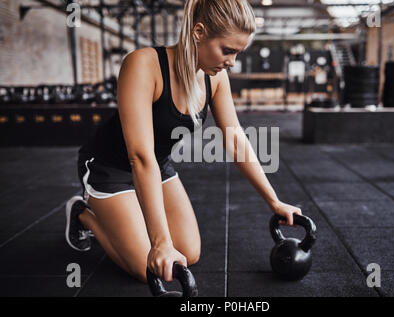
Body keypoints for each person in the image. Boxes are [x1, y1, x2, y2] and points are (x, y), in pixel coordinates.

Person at [65, 0, 302, 284]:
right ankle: (82, 214)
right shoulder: (143, 64)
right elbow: (140, 157)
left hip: (159, 165)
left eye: (237, 53)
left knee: (188, 254)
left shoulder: (216, 78)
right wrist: (160, 242)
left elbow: (235, 138)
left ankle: (126, 218)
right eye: (227, 51)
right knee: (150, 268)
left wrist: (274, 201)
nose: (232, 62)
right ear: (199, 32)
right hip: (110, 167)